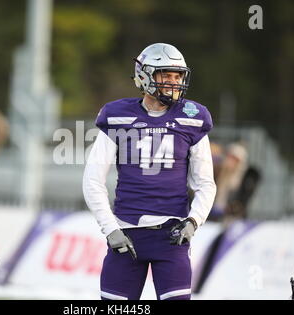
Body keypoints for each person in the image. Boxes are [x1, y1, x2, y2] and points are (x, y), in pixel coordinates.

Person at [83, 43, 216, 300]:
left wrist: (193, 221)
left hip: (172, 237)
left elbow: (205, 183)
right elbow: (92, 180)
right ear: (145, 76)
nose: (174, 82)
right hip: (126, 233)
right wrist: (110, 229)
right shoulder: (118, 114)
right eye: (166, 75)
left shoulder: (193, 117)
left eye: (178, 76)